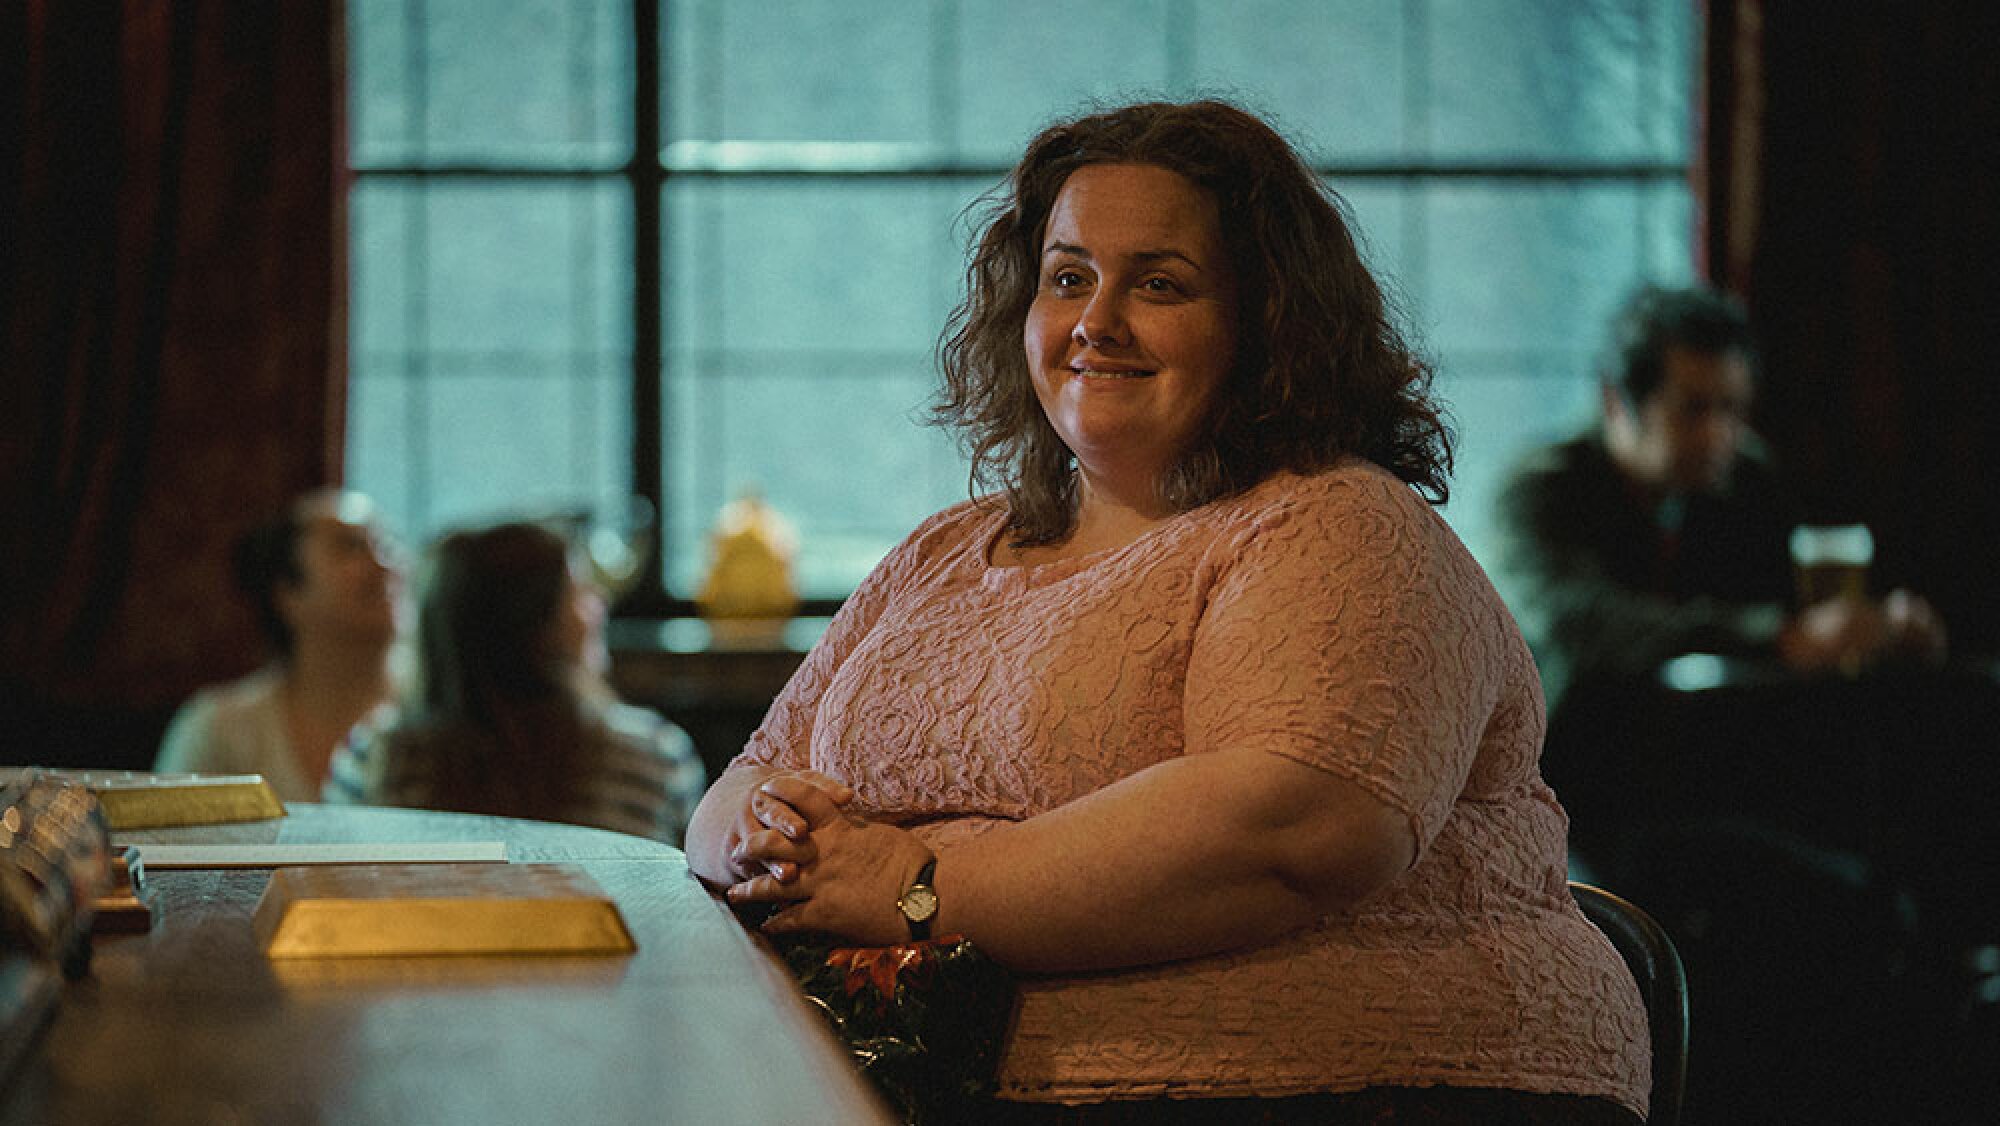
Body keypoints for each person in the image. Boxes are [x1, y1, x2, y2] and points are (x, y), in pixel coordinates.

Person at [685, 100, 1649, 1124]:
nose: (1096, 321)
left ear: (1265, 318)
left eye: (1157, 283)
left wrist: (919, 887)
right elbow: (744, 776)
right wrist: (759, 836)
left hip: (1342, 1089)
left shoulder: (1336, 525)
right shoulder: (942, 548)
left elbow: (1292, 828)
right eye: (1067, 278)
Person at [1495, 282, 1945, 720]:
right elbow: (1583, 623)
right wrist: (1774, 636)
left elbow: (1798, 608)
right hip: (1567, 757)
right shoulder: (1540, 490)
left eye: (1732, 410)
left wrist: (1882, 626)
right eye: (1693, 409)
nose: (1718, 435)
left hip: (1711, 750)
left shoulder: (1745, 478)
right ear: (1617, 402)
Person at [326, 521, 705, 846]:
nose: (598, 604)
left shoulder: (372, 758)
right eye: (577, 592)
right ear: (542, 629)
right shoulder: (656, 758)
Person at [154, 488, 403, 801]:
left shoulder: (438, 728)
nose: (384, 566)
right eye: (350, 546)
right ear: (288, 594)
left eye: (388, 545)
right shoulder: (220, 732)